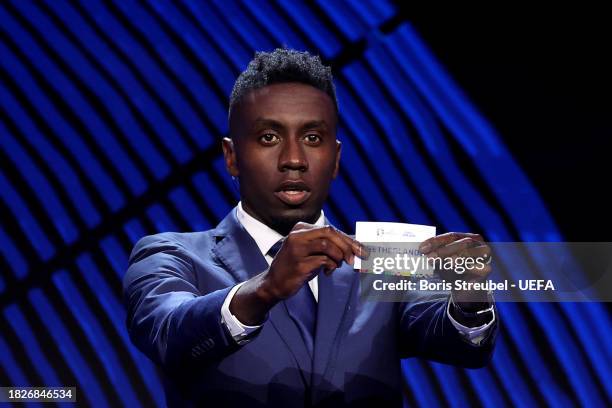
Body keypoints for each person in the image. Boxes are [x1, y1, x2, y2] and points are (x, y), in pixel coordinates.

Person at [123, 48, 498, 407]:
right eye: (269, 138)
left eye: (313, 138)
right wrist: (264, 290)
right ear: (232, 156)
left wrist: (469, 296)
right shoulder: (171, 254)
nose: (293, 160)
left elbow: (460, 344)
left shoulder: (381, 259)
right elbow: (167, 333)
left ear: (335, 160)